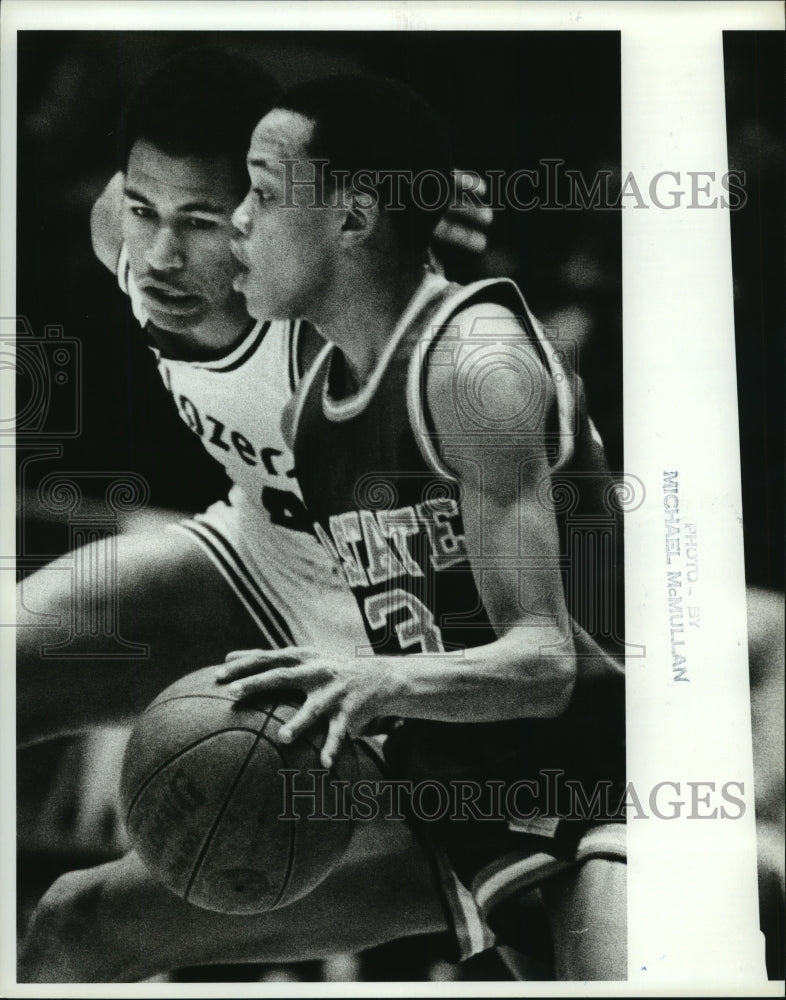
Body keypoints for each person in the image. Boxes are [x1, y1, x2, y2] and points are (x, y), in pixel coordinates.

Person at [17, 51, 514, 983]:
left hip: (433, 686)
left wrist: (413, 221)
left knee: (77, 924)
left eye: (204, 224)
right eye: (146, 211)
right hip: (269, 563)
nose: (162, 256)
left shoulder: (356, 328)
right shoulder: (120, 239)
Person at [217, 74, 628, 980]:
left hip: (607, 777)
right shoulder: (311, 420)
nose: (236, 218)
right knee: (92, 913)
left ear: (355, 220)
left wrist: (373, 678)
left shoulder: (472, 363)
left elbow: (545, 662)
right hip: (469, 801)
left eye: (264, 191)